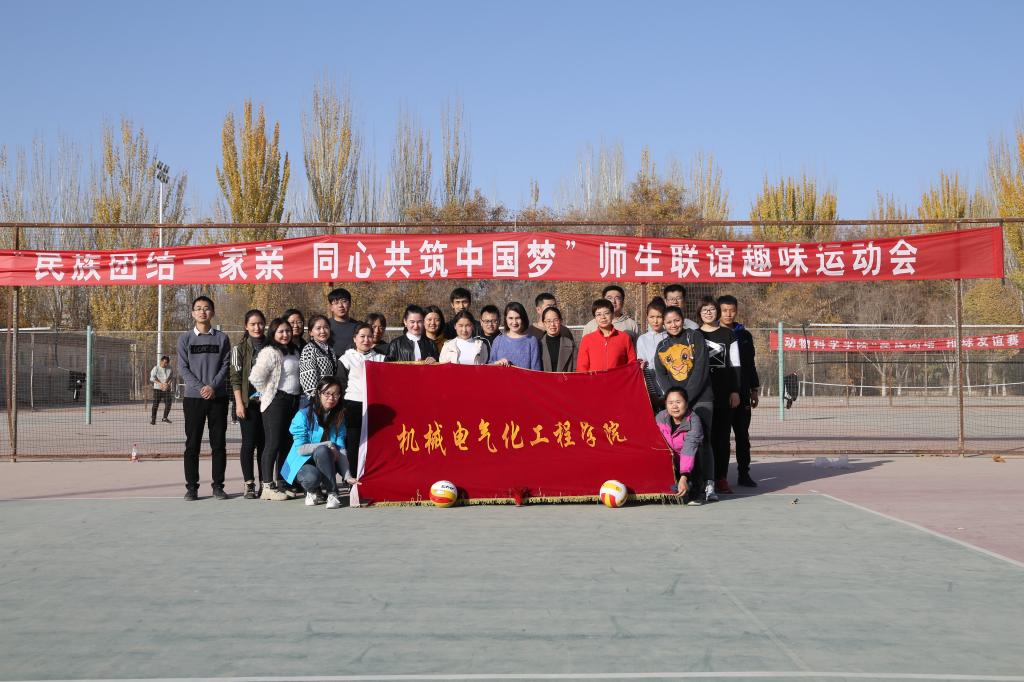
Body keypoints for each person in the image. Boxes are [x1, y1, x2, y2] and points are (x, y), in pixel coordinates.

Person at [655, 306, 714, 502]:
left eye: (676, 320)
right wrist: (674, 398)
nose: (673, 325)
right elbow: (661, 373)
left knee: (703, 441)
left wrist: (685, 398)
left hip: (701, 398)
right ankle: (688, 483)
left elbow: (701, 368)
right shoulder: (662, 346)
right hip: (678, 400)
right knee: (680, 444)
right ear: (664, 324)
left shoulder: (695, 337)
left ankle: (708, 483)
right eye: (669, 322)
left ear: (683, 320)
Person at [176, 295, 231, 501]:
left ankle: (218, 486)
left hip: (218, 398)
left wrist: (213, 386)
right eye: (198, 308)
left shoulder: (222, 338)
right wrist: (201, 388)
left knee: (218, 444)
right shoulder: (185, 339)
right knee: (192, 445)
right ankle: (192, 487)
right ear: (192, 313)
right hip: (193, 398)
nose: (202, 311)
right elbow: (183, 368)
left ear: (212, 312)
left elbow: (226, 365)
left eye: (206, 308)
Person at [279, 377, 357, 510]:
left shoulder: (339, 417)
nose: (331, 398)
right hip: (302, 463)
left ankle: (332, 494)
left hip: (326, 461)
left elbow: (341, 448)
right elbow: (301, 449)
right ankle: (312, 490)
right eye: (327, 393)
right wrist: (328, 444)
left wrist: (347, 476)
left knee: (323, 451)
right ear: (319, 394)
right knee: (313, 476)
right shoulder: (302, 415)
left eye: (336, 394)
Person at [249, 317, 304, 501]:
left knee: (286, 444)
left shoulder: (294, 350)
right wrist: (266, 392)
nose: (285, 334)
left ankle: (282, 482)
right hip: (276, 402)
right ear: (273, 333)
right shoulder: (269, 352)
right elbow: (255, 377)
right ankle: (267, 486)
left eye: (287, 331)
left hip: (293, 401)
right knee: (272, 444)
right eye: (280, 331)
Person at [697, 296, 741, 496]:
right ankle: (703, 478)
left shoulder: (728, 334)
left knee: (722, 437)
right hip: (701, 393)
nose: (708, 312)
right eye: (704, 309)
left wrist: (735, 390)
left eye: (712, 309)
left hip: (724, 393)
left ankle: (721, 477)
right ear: (699, 313)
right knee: (703, 437)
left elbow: (735, 364)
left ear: (717, 312)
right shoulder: (694, 335)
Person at [718, 294, 760, 488]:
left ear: (736, 311)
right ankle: (721, 476)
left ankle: (744, 473)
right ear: (718, 311)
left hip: (742, 392)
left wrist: (754, 389)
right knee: (722, 437)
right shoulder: (712, 333)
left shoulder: (745, 335)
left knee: (742, 435)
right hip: (721, 393)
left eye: (732, 310)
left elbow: (750, 364)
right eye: (724, 310)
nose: (728, 314)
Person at [338, 323, 386, 476]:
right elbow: (341, 385)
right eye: (362, 336)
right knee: (354, 443)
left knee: (375, 442)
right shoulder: (346, 359)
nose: (366, 340)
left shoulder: (381, 358)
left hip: (375, 406)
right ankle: (353, 477)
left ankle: (372, 476)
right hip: (353, 405)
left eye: (370, 336)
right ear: (355, 338)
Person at [229, 309, 267, 499]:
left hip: (268, 404)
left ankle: (265, 483)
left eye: (260, 323)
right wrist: (239, 403)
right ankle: (249, 483)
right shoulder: (239, 349)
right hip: (248, 404)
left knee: (264, 445)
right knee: (249, 444)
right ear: (246, 326)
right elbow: (235, 378)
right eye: (252, 324)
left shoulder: (272, 346)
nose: (257, 327)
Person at [656, 387, 704, 506]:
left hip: (689, 463)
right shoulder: (660, 417)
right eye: (670, 403)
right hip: (669, 460)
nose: (674, 406)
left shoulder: (694, 421)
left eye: (678, 402)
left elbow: (689, 449)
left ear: (686, 404)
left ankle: (695, 489)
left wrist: (684, 476)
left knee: (697, 455)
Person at [576, 299, 637, 372]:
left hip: (619, 379)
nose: (603, 317)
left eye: (606, 313)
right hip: (594, 379)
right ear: (595, 318)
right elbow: (582, 367)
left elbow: (632, 363)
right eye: (598, 314)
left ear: (612, 315)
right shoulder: (587, 339)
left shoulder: (624, 338)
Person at [299, 314, 338, 406]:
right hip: (315, 400)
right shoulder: (309, 349)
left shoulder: (330, 350)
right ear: (311, 332)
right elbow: (308, 378)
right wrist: (316, 399)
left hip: (328, 398)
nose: (323, 331)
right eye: (318, 328)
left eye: (326, 327)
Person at [636, 298, 668, 409]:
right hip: (653, 391)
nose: (655, 321)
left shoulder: (670, 337)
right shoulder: (643, 339)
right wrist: (652, 394)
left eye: (659, 317)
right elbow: (644, 369)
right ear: (647, 317)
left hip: (671, 390)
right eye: (652, 317)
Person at [489, 302, 541, 369]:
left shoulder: (531, 341)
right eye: (511, 318)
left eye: (517, 318)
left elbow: (536, 370)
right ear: (506, 319)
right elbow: (490, 365)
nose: (514, 322)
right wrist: (497, 363)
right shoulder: (498, 340)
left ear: (523, 318)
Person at [538, 306, 576, 372]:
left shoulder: (570, 344)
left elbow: (575, 369)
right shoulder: (538, 345)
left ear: (560, 321)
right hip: (544, 379)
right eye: (548, 321)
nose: (552, 324)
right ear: (544, 323)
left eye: (555, 320)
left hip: (566, 378)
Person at [328, 288, 361, 357]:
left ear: (350, 304)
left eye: (344, 301)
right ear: (331, 307)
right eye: (336, 303)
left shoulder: (359, 326)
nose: (340, 305)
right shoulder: (325, 326)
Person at [149, 356, 174, 425]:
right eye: (164, 362)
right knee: (155, 404)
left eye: (167, 363)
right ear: (161, 361)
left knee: (168, 403)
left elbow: (171, 377)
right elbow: (152, 378)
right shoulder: (156, 368)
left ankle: (165, 418)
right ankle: (153, 419)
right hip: (157, 389)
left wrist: (167, 384)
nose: (165, 364)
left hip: (166, 389)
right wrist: (161, 384)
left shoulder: (170, 368)